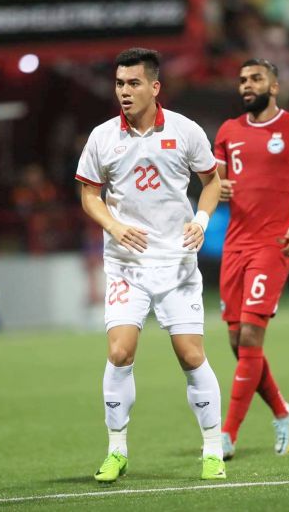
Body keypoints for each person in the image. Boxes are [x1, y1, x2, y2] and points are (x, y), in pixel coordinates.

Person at [75, 48, 225, 482]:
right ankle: (116, 450)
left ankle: (212, 450)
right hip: (127, 264)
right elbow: (89, 195)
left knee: (190, 354)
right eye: (120, 84)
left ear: (154, 87)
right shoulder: (102, 137)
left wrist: (201, 219)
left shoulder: (185, 131)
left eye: (133, 83)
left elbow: (211, 181)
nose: (124, 92)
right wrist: (114, 226)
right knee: (120, 351)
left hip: (177, 263)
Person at [214, 59, 289, 460]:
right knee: (236, 341)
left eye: (255, 79)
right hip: (235, 246)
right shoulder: (228, 132)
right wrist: (218, 186)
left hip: (273, 244)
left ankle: (226, 435)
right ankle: (284, 413)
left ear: (274, 86)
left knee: (250, 337)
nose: (247, 85)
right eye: (243, 80)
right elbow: (212, 181)